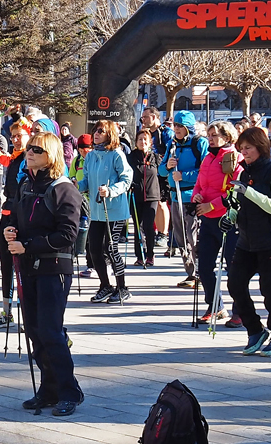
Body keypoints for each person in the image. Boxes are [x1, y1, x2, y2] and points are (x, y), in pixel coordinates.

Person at [5, 129, 83, 416]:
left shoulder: (64, 188)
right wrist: (11, 231)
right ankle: (49, 389)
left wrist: (29, 245)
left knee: (51, 331)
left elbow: (68, 234)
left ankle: (68, 391)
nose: (30, 153)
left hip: (53, 268)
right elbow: (16, 218)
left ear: (50, 155)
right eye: (29, 149)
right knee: (35, 332)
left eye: (36, 150)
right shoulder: (26, 184)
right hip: (28, 266)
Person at [227, 123, 271, 355]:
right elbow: (237, 203)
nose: (244, 152)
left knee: (269, 288)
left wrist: (248, 192)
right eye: (242, 148)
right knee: (235, 284)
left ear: (260, 147)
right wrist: (230, 215)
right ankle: (255, 329)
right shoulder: (244, 172)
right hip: (246, 239)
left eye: (249, 147)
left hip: (270, 239)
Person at [78, 120, 133, 304]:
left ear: (109, 134)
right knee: (94, 249)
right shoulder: (91, 156)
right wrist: (74, 186)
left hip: (115, 211)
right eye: (95, 131)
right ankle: (105, 285)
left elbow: (126, 179)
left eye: (101, 131)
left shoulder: (116, 154)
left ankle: (122, 287)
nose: (96, 134)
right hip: (97, 211)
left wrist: (111, 191)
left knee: (111, 248)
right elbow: (86, 180)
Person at [190, 122, 237, 324]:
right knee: (205, 266)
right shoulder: (208, 157)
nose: (210, 138)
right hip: (207, 220)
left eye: (214, 135)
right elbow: (200, 183)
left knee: (233, 267)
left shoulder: (234, 157)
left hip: (226, 219)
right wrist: (197, 197)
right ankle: (215, 305)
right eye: (208, 134)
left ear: (226, 137)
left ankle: (240, 310)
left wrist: (213, 206)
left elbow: (234, 190)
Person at [0, 120, 33, 330]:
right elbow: (0, 157)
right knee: (6, 265)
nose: (16, 139)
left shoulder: (29, 158)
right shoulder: (14, 158)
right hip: (8, 211)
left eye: (19, 135)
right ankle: (7, 311)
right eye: (13, 136)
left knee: (22, 266)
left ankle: (28, 312)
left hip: (23, 214)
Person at [162, 111, 205, 280]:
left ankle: (201, 273)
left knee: (193, 237)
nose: (177, 129)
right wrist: (167, 165)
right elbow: (161, 171)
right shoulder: (172, 145)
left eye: (180, 126)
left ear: (188, 127)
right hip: (175, 197)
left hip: (192, 197)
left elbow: (205, 171)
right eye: (175, 125)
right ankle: (190, 273)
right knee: (180, 239)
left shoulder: (199, 143)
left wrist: (184, 175)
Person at [128, 127, 162, 269]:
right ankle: (139, 256)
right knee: (138, 226)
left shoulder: (155, 158)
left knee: (148, 225)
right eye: (140, 139)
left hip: (152, 196)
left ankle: (150, 254)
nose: (143, 142)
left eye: (145, 140)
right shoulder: (131, 157)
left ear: (150, 142)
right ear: (136, 142)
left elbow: (162, 175)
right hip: (136, 195)